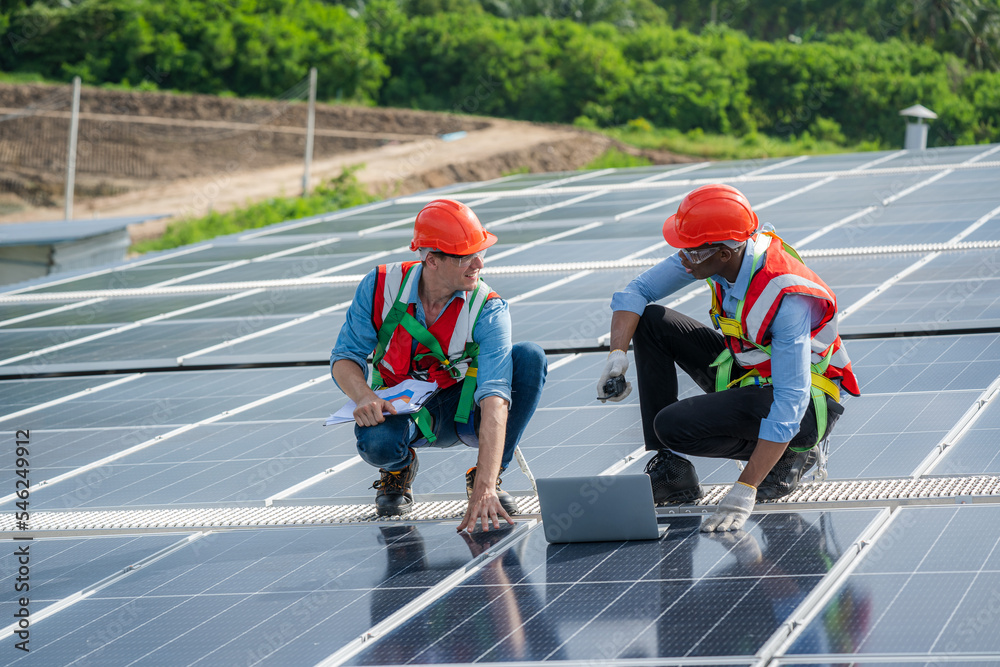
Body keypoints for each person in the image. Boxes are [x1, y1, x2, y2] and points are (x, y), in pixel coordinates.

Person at [597, 184, 859, 532]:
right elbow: (636, 291)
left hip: (805, 403)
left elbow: (791, 400)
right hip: (750, 372)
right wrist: (617, 356)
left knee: (672, 424)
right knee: (651, 323)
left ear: (722, 252)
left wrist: (745, 487)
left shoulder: (785, 295)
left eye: (690, 252)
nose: (683, 260)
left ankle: (790, 451)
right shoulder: (716, 255)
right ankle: (672, 471)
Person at [331, 198, 547, 531]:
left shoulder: (488, 307)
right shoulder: (380, 287)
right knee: (376, 444)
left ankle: (485, 478)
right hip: (399, 407)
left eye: (481, 253)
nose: (479, 264)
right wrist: (363, 396)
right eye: (466, 256)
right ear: (432, 260)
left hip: (462, 406)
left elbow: (495, 398)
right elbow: (345, 357)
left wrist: (486, 485)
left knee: (529, 357)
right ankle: (398, 469)